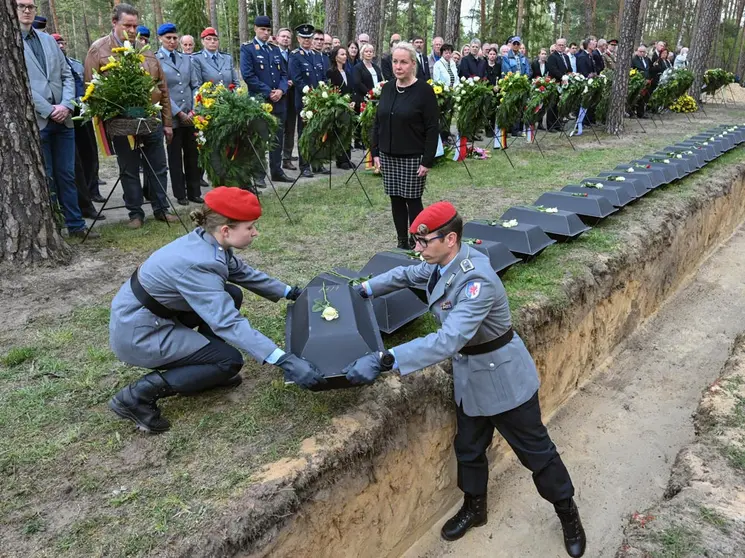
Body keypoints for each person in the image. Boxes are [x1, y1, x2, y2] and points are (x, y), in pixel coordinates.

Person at [344, 201, 586, 558]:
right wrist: (365, 288)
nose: (418, 249)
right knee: (469, 450)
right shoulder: (441, 263)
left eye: (424, 242)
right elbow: (404, 274)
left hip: (504, 380)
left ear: (451, 239)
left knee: (538, 455)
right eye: (417, 241)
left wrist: (387, 358)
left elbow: (449, 339)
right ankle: (475, 508)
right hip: (470, 378)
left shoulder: (476, 281)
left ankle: (568, 514)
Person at [108, 187, 325, 433]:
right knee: (229, 361)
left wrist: (292, 292)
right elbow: (228, 323)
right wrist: (284, 360)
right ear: (226, 230)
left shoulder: (208, 241)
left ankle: (207, 369)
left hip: (155, 316)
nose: (256, 232)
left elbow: (242, 273)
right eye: (250, 227)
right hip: (140, 334)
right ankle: (135, 397)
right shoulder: (199, 263)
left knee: (232, 293)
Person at [85, 3, 178, 229]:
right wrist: (105, 121)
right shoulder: (98, 50)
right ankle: (135, 213)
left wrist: (167, 123)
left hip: (151, 119)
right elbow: (90, 88)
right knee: (129, 169)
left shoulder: (145, 50)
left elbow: (162, 88)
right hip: (121, 123)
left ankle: (161, 208)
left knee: (158, 166)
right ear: (114, 22)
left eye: (135, 25)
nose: (132, 30)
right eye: (127, 25)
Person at [20, 2, 98, 239]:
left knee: (68, 174)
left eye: (31, 6)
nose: (27, 10)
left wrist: (65, 105)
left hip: (64, 120)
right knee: (47, 176)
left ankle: (76, 225)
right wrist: (48, 109)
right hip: (38, 120)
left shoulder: (48, 40)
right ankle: (54, 226)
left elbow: (66, 75)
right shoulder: (9, 42)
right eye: (21, 5)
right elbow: (18, 81)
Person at [371, 41, 438, 249]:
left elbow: (432, 128)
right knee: (396, 199)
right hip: (389, 154)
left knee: (412, 200)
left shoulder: (424, 91)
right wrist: (375, 152)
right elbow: (378, 122)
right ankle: (401, 241)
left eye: (403, 62)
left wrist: (427, 160)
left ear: (412, 65)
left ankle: (418, 241)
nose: (398, 67)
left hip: (413, 156)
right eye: (395, 62)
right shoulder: (389, 88)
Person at [52, 32, 104, 221]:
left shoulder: (75, 64)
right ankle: (82, 204)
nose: (59, 46)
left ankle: (93, 190)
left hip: (82, 114)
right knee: (74, 163)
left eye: (61, 42)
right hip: (64, 115)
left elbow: (84, 85)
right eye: (55, 43)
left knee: (90, 154)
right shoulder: (52, 66)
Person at [240, 15, 292, 187]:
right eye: (262, 29)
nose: (265, 33)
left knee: (277, 138)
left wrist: (281, 90)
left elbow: (284, 74)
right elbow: (248, 76)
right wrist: (269, 92)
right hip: (260, 101)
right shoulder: (248, 49)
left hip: (278, 101)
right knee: (260, 138)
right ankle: (259, 174)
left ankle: (277, 171)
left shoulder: (274, 49)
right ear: (255, 28)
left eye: (268, 30)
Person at [156, 23, 202, 205]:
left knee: (192, 154)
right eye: (168, 38)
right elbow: (160, 89)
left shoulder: (186, 59)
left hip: (191, 114)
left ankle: (194, 191)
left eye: (175, 38)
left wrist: (194, 108)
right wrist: (178, 112)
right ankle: (180, 194)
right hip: (171, 116)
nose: (172, 41)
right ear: (161, 39)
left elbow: (195, 85)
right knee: (175, 156)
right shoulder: (156, 59)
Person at [289, 23, 328, 178]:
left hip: (319, 101)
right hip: (305, 101)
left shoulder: (316, 55)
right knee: (304, 134)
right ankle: (304, 165)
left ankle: (317, 163)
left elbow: (323, 77)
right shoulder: (295, 56)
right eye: (303, 38)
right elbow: (297, 79)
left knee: (318, 132)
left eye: (309, 38)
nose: (307, 40)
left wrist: (323, 92)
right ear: (298, 39)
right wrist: (311, 94)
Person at [326, 46, 355, 169]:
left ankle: (347, 158)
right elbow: (332, 91)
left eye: (345, 54)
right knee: (340, 131)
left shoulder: (347, 72)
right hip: (338, 107)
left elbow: (351, 89)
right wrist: (342, 102)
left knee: (348, 132)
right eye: (342, 54)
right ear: (335, 56)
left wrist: (352, 101)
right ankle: (340, 159)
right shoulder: (331, 72)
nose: (345, 56)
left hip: (348, 106)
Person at [276, 27, 298, 171]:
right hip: (278, 96)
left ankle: (287, 158)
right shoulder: (272, 54)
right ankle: (276, 160)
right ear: (277, 38)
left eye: (288, 37)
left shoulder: (294, 55)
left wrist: (293, 81)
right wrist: (283, 84)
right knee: (278, 129)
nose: (285, 39)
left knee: (290, 128)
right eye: (283, 36)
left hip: (291, 96)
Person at [546, 38, 571, 132]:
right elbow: (553, 69)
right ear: (556, 46)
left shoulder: (566, 56)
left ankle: (557, 124)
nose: (561, 47)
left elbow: (569, 69)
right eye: (559, 45)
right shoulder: (552, 57)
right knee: (552, 104)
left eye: (563, 45)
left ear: (565, 46)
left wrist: (570, 74)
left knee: (560, 105)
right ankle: (550, 125)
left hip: (564, 84)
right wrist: (563, 77)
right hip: (555, 83)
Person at [632, 45, 651, 118]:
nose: (642, 53)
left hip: (646, 81)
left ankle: (641, 113)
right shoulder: (634, 59)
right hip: (638, 81)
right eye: (640, 51)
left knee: (643, 98)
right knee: (636, 97)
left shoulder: (646, 59)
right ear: (637, 51)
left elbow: (648, 68)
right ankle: (632, 112)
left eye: (644, 52)